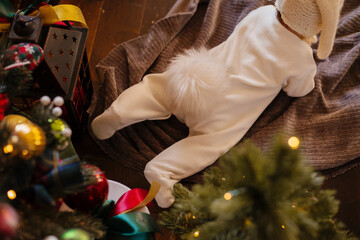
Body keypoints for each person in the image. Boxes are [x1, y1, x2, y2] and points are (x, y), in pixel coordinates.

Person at [91, 0, 344, 208]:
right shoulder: (300, 59)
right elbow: (299, 89)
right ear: (319, 25)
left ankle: (119, 112)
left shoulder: (262, 13)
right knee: (209, 143)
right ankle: (163, 171)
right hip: (224, 112)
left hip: (199, 79)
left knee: (158, 89)